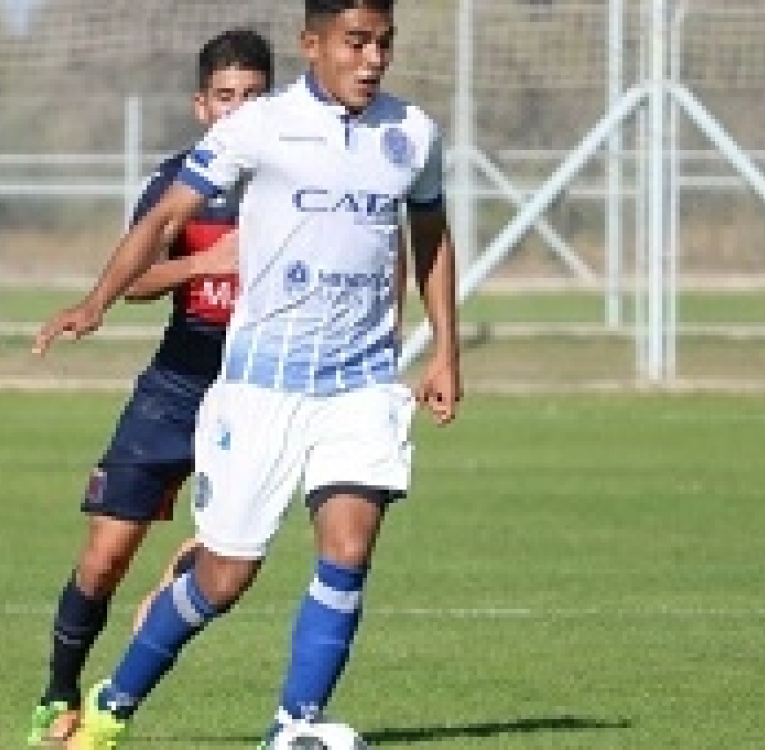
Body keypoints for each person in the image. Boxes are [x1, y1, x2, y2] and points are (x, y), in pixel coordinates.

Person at [32, 1, 461, 747]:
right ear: (312, 44)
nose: (372, 60)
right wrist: (96, 301)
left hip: (360, 383)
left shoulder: (412, 134)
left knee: (349, 549)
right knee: (223, 577)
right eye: (356, 43)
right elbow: (164, 219)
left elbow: (431, 236)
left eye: (384, 44)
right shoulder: (258, 128)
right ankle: (114, 703)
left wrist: (445, 350)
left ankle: (294, 726)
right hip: (261, 385)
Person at [26, 28, 273, 747]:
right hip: (177, 384)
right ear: (202, 105)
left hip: (259, 392)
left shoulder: (294, 185)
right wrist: (206, 265)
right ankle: (57, 691)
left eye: (253, 96)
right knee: (104, 557)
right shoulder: (180, 183)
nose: (238, 109)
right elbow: (134, 279)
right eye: (225, 96)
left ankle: (152, 632)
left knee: (229, 553)